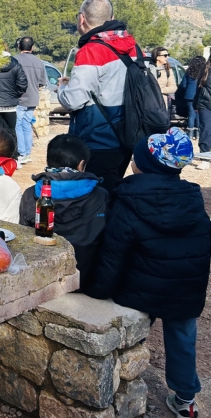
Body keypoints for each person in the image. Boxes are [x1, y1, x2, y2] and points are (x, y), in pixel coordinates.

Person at [85, 128, 209, 418]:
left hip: (138, 287)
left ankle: (123, 382)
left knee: (134, 333)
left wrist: (99, 291)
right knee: (182, 337)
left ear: (142, 164)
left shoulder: (127, 198)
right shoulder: (193, 197)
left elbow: (113, 254)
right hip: (185, 287)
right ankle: (185, 399)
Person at [57, 0, 139, 196]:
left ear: (81, 19)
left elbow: (74, 100)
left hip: (96, 139)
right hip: (127, 135)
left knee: (95, 199)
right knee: (112, 190)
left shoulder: (91, 50)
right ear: (111, 17)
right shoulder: (132, 47)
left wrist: (61, 89)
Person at [19, 134, 107, 289]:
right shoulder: (100, 196)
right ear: (81, 165)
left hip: (40, 280)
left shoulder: (31, 194)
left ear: (48, 161)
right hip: (84, 279)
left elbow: (25, 238)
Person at [14, 37, 48, 164]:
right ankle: (27, 152)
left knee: (18, 125)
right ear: (32, 48)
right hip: (33, 99)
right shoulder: (39, 62)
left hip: (19, 98)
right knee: (27, 125)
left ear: (19, 47)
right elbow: (41, 83)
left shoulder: (15, 60)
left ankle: (22, 153)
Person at [175, 55, 205, 141]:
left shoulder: (189, 71)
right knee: (199, 114)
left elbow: (183, 85)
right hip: (199, 95)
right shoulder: (204, 72)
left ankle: (190, 134)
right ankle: (198, 134)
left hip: (189, 95)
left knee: (191, 114)